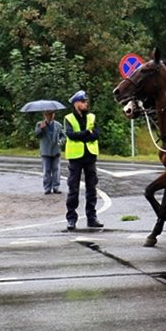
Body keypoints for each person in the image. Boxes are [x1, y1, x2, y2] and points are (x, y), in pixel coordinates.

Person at [63, 90, 103, 231]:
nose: (86, 104)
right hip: (75, 157)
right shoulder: (69, 118)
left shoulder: (91, 117)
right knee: (73, 188)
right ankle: (71, 218)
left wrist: (83, 135)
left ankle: (92, 218)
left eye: (86, 101)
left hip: (90, 155)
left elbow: (96, 134)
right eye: (83, 101)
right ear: (76, 103)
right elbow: (70, 134)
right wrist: (86, 133)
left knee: (92, 188)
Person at [36, 110, 64, 194]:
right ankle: (47, 188)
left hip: (56, 150)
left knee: (56, 170)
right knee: (46, 170)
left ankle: (56, 187)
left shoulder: (58, 125)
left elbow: (63, 135)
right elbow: (36, 135)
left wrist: (61, 141)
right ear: (44, 115)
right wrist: (41, 128)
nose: (50, 116)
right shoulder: (39, 124)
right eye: (48, 114)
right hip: (45, 150)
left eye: (52, 114)